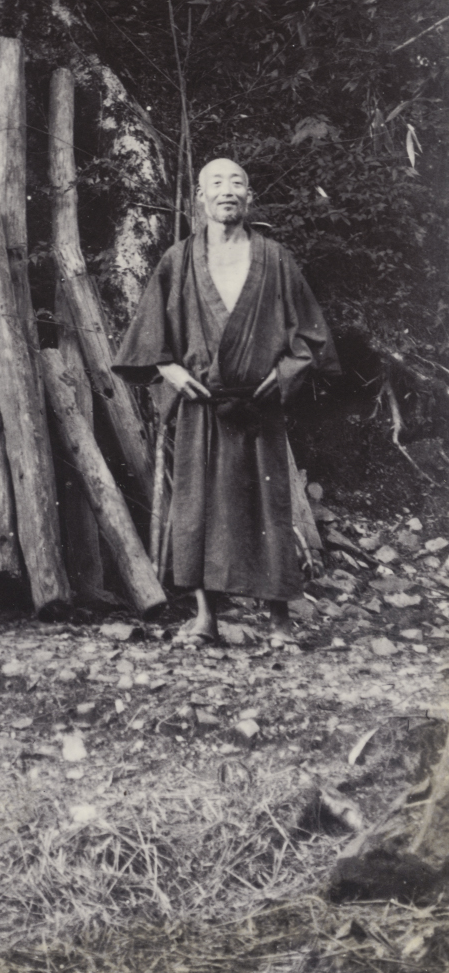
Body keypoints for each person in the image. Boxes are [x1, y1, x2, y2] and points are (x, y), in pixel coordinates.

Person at [114, 158, 338, 645]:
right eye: (217, 183)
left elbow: (312, 337)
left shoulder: (275, 259)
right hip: (202, 406)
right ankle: (205, 619)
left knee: (268, 511)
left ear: (250, 197)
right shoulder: (178, 260)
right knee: (200, 512)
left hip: (259, 406)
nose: (227, 191)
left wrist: (286, 373)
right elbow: (148, 339)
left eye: (237, 183)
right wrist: (168, 369)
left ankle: (279, 622)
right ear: (200, 196)